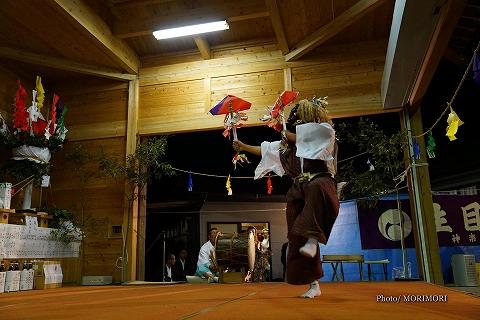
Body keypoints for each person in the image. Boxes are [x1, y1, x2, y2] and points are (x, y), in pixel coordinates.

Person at [233, 97, 339, 298]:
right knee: (294, 237)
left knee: (315, 191)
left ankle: (313, 239)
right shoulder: (287, 146)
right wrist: (243, 146)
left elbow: (306, 136)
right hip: (300, 187)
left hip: (321, 182)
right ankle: (313, 283)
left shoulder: (324, 131)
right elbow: (266, 150)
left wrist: (289, 134)